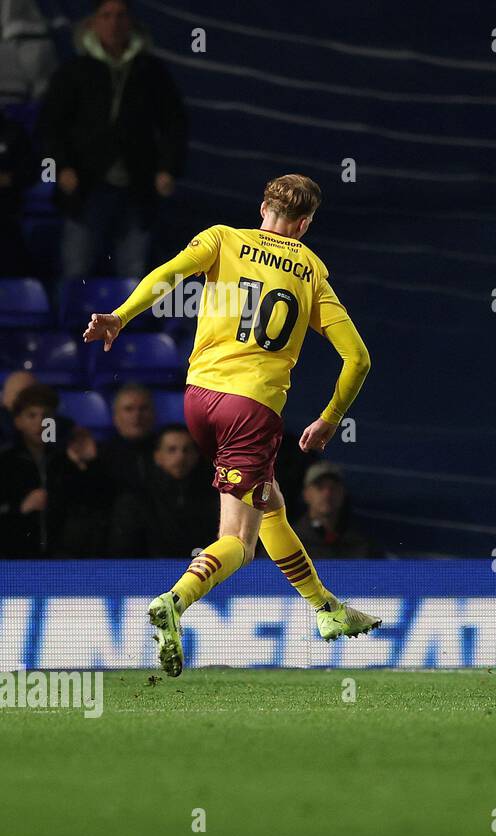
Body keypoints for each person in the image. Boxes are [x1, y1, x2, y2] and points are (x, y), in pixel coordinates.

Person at [83, 173, 378, 677]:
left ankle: (327, 609)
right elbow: (359, 359)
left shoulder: (222, 238)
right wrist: (329, 419)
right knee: (239, 540)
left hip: (198, 401)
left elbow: (167, 275)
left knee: (272, 505)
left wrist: (120, 316)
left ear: (263, 205)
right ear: (305, 224)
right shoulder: (309, 270)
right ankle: (175, 600)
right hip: (252, 408)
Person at [37, 0, 187, 280]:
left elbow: (174, 124)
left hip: (137, 187)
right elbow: (50, 126)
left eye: (120, 16)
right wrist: (62, 168)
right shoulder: (75, 70)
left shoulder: (150, 71)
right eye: (106, 15)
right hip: (85, 188)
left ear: (130, 22)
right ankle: (71, 324)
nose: (114, 23)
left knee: (134, 274)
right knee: (75, 270)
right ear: (93, 23)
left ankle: (127, 325)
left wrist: (167, 168)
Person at [0, 382, 109, 556]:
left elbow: (96, 502)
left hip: (62, 561)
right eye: (31, 415)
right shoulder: (5, 462)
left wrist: (88, 464)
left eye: (46, 415)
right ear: (18, 422)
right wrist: (19, 508)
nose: (40, 423)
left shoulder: (65, 460)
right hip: (15, 561)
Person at [110, 424, 218, 557]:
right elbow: (124, 550)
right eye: (171, 450)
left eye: (187, 450)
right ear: (158, 456)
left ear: (196, 455)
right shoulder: (136, 499)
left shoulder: (215, 496)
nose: (180, 457)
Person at [293, 460, 380, 558]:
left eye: (333, 487)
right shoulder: (291, 542)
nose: (327, 494)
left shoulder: (363, 542)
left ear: (343, 493)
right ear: (306, 494)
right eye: (320, 487)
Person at [0, 105, 38, 276]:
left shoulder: (13, 132)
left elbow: (33, 171)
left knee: (13, 269)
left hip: (6, 217)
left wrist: (11, 178)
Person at [99, 382, 156, 491]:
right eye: (128, 409)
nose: (137, 415)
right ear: (116, 416)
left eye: (143, 408)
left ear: (153, 413)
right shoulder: (101, 455)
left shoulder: (170, 449)